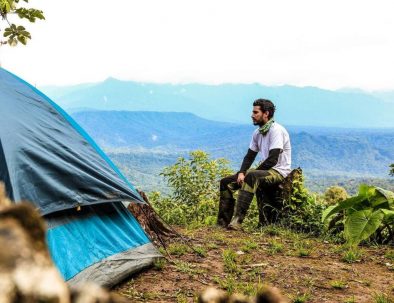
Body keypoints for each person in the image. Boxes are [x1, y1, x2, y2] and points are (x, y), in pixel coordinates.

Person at [217, 98, 291, 230]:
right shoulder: (258, 133)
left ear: (266, 113)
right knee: (225, 182)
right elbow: (250, 156)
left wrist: (248, 174)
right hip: (265, 170)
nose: (252, 115)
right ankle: (222, 223)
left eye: (256, 112)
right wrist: (241, 172)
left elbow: (272, 160)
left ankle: (237, 222)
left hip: (278, 171)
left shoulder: (276, 130)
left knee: (252, 176)